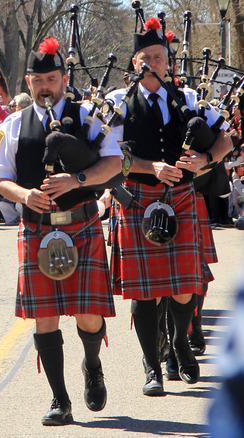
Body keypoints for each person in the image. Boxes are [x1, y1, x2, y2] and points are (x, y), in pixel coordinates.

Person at [0, 37, 123, 425]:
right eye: (37, 79)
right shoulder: (13, 124)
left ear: (64, 78)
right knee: (44, 316)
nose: (45, 85)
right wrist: (25, 195)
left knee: (88, 314)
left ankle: (92, 364)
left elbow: (114, 163)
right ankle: (60, 399)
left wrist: (78, 179)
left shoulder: (89, 117)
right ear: (28, 82)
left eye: (51, 78)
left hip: (82, 223)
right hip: (37, 228)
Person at [106, 18, 232, 396]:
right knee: (143, 292)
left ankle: (178, 340)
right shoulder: (116, 103)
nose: (153, 63)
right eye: (146, 57)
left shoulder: (187, 99)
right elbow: (108, 156)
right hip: (138, 199)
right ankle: (151, 367)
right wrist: (150, 167)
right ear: (134, 62)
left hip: (181, 198)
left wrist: (206, 159)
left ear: (168, 63)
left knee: (183, 287)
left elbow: (226, 138)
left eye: (159, 57)